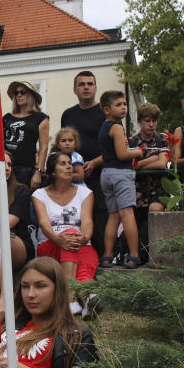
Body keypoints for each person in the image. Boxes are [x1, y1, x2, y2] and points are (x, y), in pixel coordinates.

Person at [31, 152, 98, 317]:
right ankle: (71, 300)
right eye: (63, 163)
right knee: (70, 234)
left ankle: (89, 301)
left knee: (84, 269)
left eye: (69, 163)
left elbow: (88, 222)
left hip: (81, 245)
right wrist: (58, 239)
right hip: (50, 244)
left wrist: (85, 237)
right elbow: (44, 223)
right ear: (52, 172)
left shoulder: (85, 193)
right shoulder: (39, 194)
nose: (69, 166)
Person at [61, 71, 107, 257]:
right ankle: (79, 254)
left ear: (95, 88)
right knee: (75, 216)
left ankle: (103, 256)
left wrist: (95, 163)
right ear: (75, 90)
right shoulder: (68, 114)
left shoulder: (104, 113)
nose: (86, 87)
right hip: (73, 178)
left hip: (99, 174)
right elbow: (64, 143)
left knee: (100, 214)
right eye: (82, 84)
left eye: (90, 83)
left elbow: (115, 146)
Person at [98, 90, 144, 269]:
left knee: (113, 215)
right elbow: (122, 153)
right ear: (107, 109)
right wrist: (139, 152)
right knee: (127, 213)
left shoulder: (103, 128)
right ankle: (134, 255)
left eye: (125, 104)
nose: (124, 107)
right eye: (119, 105)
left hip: (107, 173)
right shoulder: (116, 127)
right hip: (120, 174)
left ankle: (107, 255)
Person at [129, 103, 169, 262]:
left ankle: (155, 257)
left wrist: (141, 163)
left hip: (158, 190)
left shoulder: (162, 139)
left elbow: (162, 163)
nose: (151, 124)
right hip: (137, 193)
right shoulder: (131, 142)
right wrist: (153, 158)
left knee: (154, 213)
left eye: (154, 121)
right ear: (139, 121)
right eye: (147, 121)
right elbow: (130, 167)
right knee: (136, 230)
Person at [3, 80, 49, 188]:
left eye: (23, 92)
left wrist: (38, 172)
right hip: (5, 167)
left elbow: (44, 147)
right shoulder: (7, 117)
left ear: (31, 94)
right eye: (16, 93)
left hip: (26, 169)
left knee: (22, 201)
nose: (19, 95)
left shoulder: (41, 118)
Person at [4, 152, 34, 269]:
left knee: (0, 237)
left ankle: (1, 287)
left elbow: (8, 223)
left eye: (10, 165)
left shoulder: (21, 190)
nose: (7, 168)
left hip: (16, 241)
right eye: (2, 164)